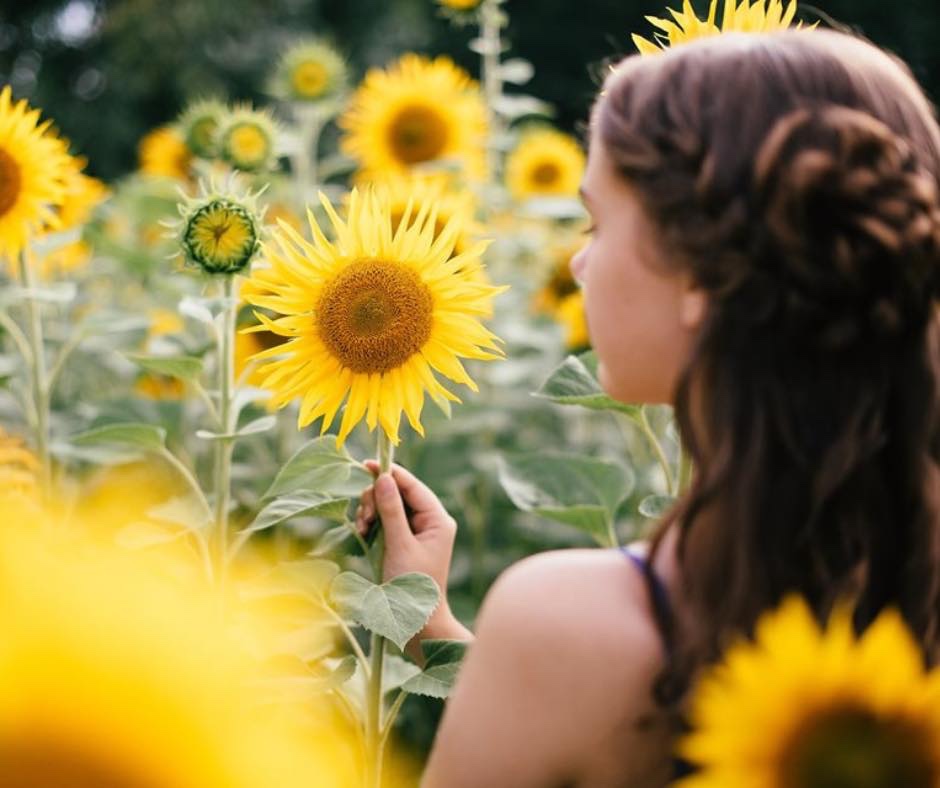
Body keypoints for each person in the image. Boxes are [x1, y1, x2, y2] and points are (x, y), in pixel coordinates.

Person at [355, 27, 940, 787]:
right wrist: (432, 627)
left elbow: (586, 691)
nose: (578, 262)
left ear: (699, 272)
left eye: (597, 223)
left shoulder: (564, 623)